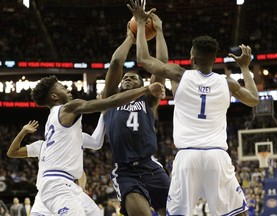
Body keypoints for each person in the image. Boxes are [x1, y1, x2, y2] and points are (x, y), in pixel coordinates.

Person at [128, 1, 259, 215]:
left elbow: (143, 58)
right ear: (213, 59)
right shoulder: (227, 83)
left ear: (192, 57)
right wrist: (244, 67)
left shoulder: (180, 76)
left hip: (188, 157)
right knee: (237, 212)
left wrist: (142, 24)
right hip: (217, 155)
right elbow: (254, 99)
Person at [28, 75, 165, 216]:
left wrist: (103, 114)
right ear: (54, 96)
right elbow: (111, 102)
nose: (68, 89)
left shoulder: (61, 126)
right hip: (56, 184)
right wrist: (146, 89)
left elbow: (96, 142)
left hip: (69, 185)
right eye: (63, 88)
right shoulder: (67, 108)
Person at [101, 13, 170, 216]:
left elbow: (162, 63)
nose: (128, 78)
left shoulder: (148, 100)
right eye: (126, 78)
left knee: (176, 211)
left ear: (143, 85)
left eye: (133, 77)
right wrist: (131, 36)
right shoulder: (111, 98)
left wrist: (159, 31)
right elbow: (115, 63)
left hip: (152, 167)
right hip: (126, 171)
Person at [6, 119, 106, 216]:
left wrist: (82, 188)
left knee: (93, 211)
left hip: (66, 192)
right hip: (45, 196)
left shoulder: (71, 144)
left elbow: (81, 172)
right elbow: (12, 152)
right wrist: (23, 131)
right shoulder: (41, 145)